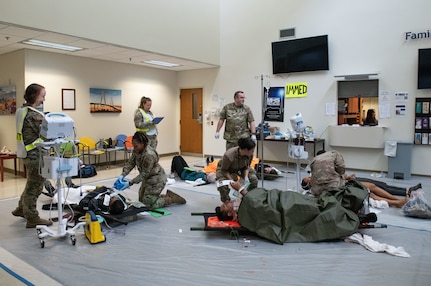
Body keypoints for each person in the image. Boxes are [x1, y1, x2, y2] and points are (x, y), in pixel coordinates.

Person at [216, 179, 371, 244]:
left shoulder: (245, 206)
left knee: (317, 202)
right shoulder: (244, 216)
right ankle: (353, 215)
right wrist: (242, 190)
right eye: (226, 205)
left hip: (284, 199)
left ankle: (352, 207)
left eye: (227, 201)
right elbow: (262, 208)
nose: (229, 201)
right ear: (230, 214)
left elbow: (266, 197)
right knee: (315, 210)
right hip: (287, 210)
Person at [12, 83, 53, 228]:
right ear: (35, 95)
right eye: (42, 96)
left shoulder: (21, 111)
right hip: (35, 155)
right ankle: (32, 217)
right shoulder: (33, 115)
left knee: (31, 183)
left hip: (26, 153)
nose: (44, 99)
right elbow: (46, 134)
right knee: (35, 186)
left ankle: (21, 209)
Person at [115, 132, 186, 208]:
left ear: (142, 143)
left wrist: (130, 183)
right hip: (147, 179)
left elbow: (144, 173)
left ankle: (170, 198)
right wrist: (122, 175)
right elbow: (131, 163)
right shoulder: (137, 150)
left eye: (136, 146)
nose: (134, 148)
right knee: (141, 201)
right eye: (133, 145)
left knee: (148, 206)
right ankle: (156, 197)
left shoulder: (149, 155)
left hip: (156, 179)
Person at [302, 175, 420, 208]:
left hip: (346, 182)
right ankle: (397, 202)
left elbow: (338, 176)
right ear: (308, 184)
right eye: (307, 179)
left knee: (374, 186)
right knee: (370, 193)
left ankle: (398, 199)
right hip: (343, 188)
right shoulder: (316, 187)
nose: (310, 177)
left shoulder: (320, 176)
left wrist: (347, 177)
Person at [216, 137, 258, 202]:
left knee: (253, 179)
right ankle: (226, 202)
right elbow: (224, 170)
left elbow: (247, 167)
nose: (253, 152)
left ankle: (249, 198)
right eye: (252, 150)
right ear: (246, 150)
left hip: (241, 168)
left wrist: (246, 177)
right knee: (222, 185)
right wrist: (232, 180)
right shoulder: (229, 155)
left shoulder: (249, 154)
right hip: (226, 170)